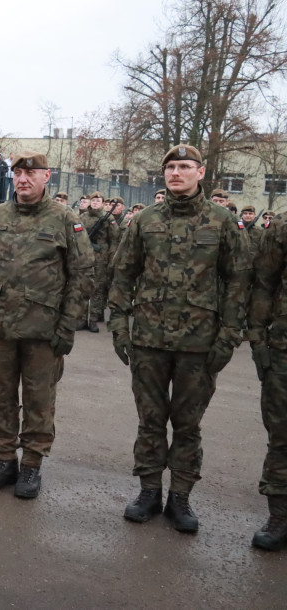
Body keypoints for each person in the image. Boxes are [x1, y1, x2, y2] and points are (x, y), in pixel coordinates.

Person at [109, 144, 249, 533]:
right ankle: (149, 492)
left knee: (188, 424)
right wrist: (119, 325)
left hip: (199, 343)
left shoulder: (222, 221)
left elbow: (239, 281)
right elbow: (123, 273)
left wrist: (229, 335)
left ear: (200, 172)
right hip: (149, 339)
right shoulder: (145, 220)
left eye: (185, 166)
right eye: (170, 166)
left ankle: (181, 497)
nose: (176, 172)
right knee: (150, 421)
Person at [0, 153, 93, 499]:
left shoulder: (65, 219)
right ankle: (5, 460)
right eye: (18, 173)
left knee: (39, 401)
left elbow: (81, 275)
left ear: (46, 176)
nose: (22, 179)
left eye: (30, 173)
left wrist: (67, 326)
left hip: (43, 331)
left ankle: (32, 465)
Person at [248, 212, 287, 551]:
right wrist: (258, 340)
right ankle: (280, 515)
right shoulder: (284, 226)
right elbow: (264, 283)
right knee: (282, 434)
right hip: (284, 349)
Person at [82, 192, 120, 333]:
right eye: (93, 200)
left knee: (97, 289)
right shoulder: (83, 217)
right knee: (83, 287)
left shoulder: (108, 218)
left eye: (98, 201)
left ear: (103, 203)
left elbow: (114, 239)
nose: (95, 203)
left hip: (101, 258)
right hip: (85, 256)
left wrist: (111, 258)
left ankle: (93, 319)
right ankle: (81, 319)